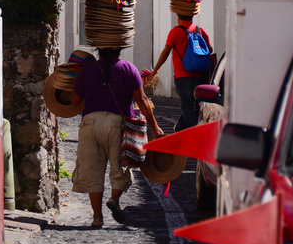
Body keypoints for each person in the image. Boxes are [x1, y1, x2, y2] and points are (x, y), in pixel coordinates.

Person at [70, 48, 164, 229]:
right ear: (120, 50)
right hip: (117, 124)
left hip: (90, 123)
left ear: (98, 50)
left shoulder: (87, 70)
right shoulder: (129, 69)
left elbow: (75, 101)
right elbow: (143, 100)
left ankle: (97, 217)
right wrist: (155, 127)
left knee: (92, 170)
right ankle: (114, 198)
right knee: (120, 166)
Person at [149, 15, 213, 132]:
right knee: (195, 105)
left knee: (187, 104)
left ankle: (194, 132)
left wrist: (155, 70)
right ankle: (179, 129)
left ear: (178, 16)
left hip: (182, 76)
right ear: (192, 16)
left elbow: (165, 53)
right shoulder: (200, 30)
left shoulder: (175, 32)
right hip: (200, 76)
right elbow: (210, 49)